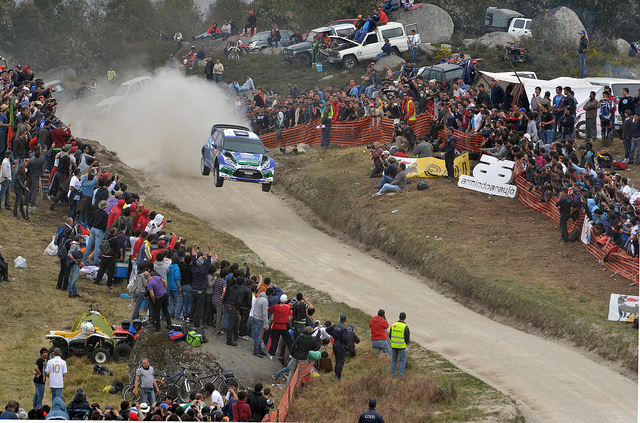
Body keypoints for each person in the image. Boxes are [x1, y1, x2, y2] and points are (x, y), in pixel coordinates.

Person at [327, 314, 349, 382]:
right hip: (340, 345)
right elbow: (345, 339)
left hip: (335, 343)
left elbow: (327, 330)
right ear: (345, 320)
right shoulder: (344, 328)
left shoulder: (335, 325)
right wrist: (347, 344)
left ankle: (336, 374)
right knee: (341, 361)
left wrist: (333, 335)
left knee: (337, 360)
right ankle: (338, 376)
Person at [389, 312, 410, 377]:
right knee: (402, 361)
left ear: (399, 317)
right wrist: (404, 343)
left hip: (394, 345)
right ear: (405, 318)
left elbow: (390, 335)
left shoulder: (393, 325)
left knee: (394, 360)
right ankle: (400, 375)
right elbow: (407, 338)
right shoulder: (405, 327)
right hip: (401, 346)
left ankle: (392, 374)